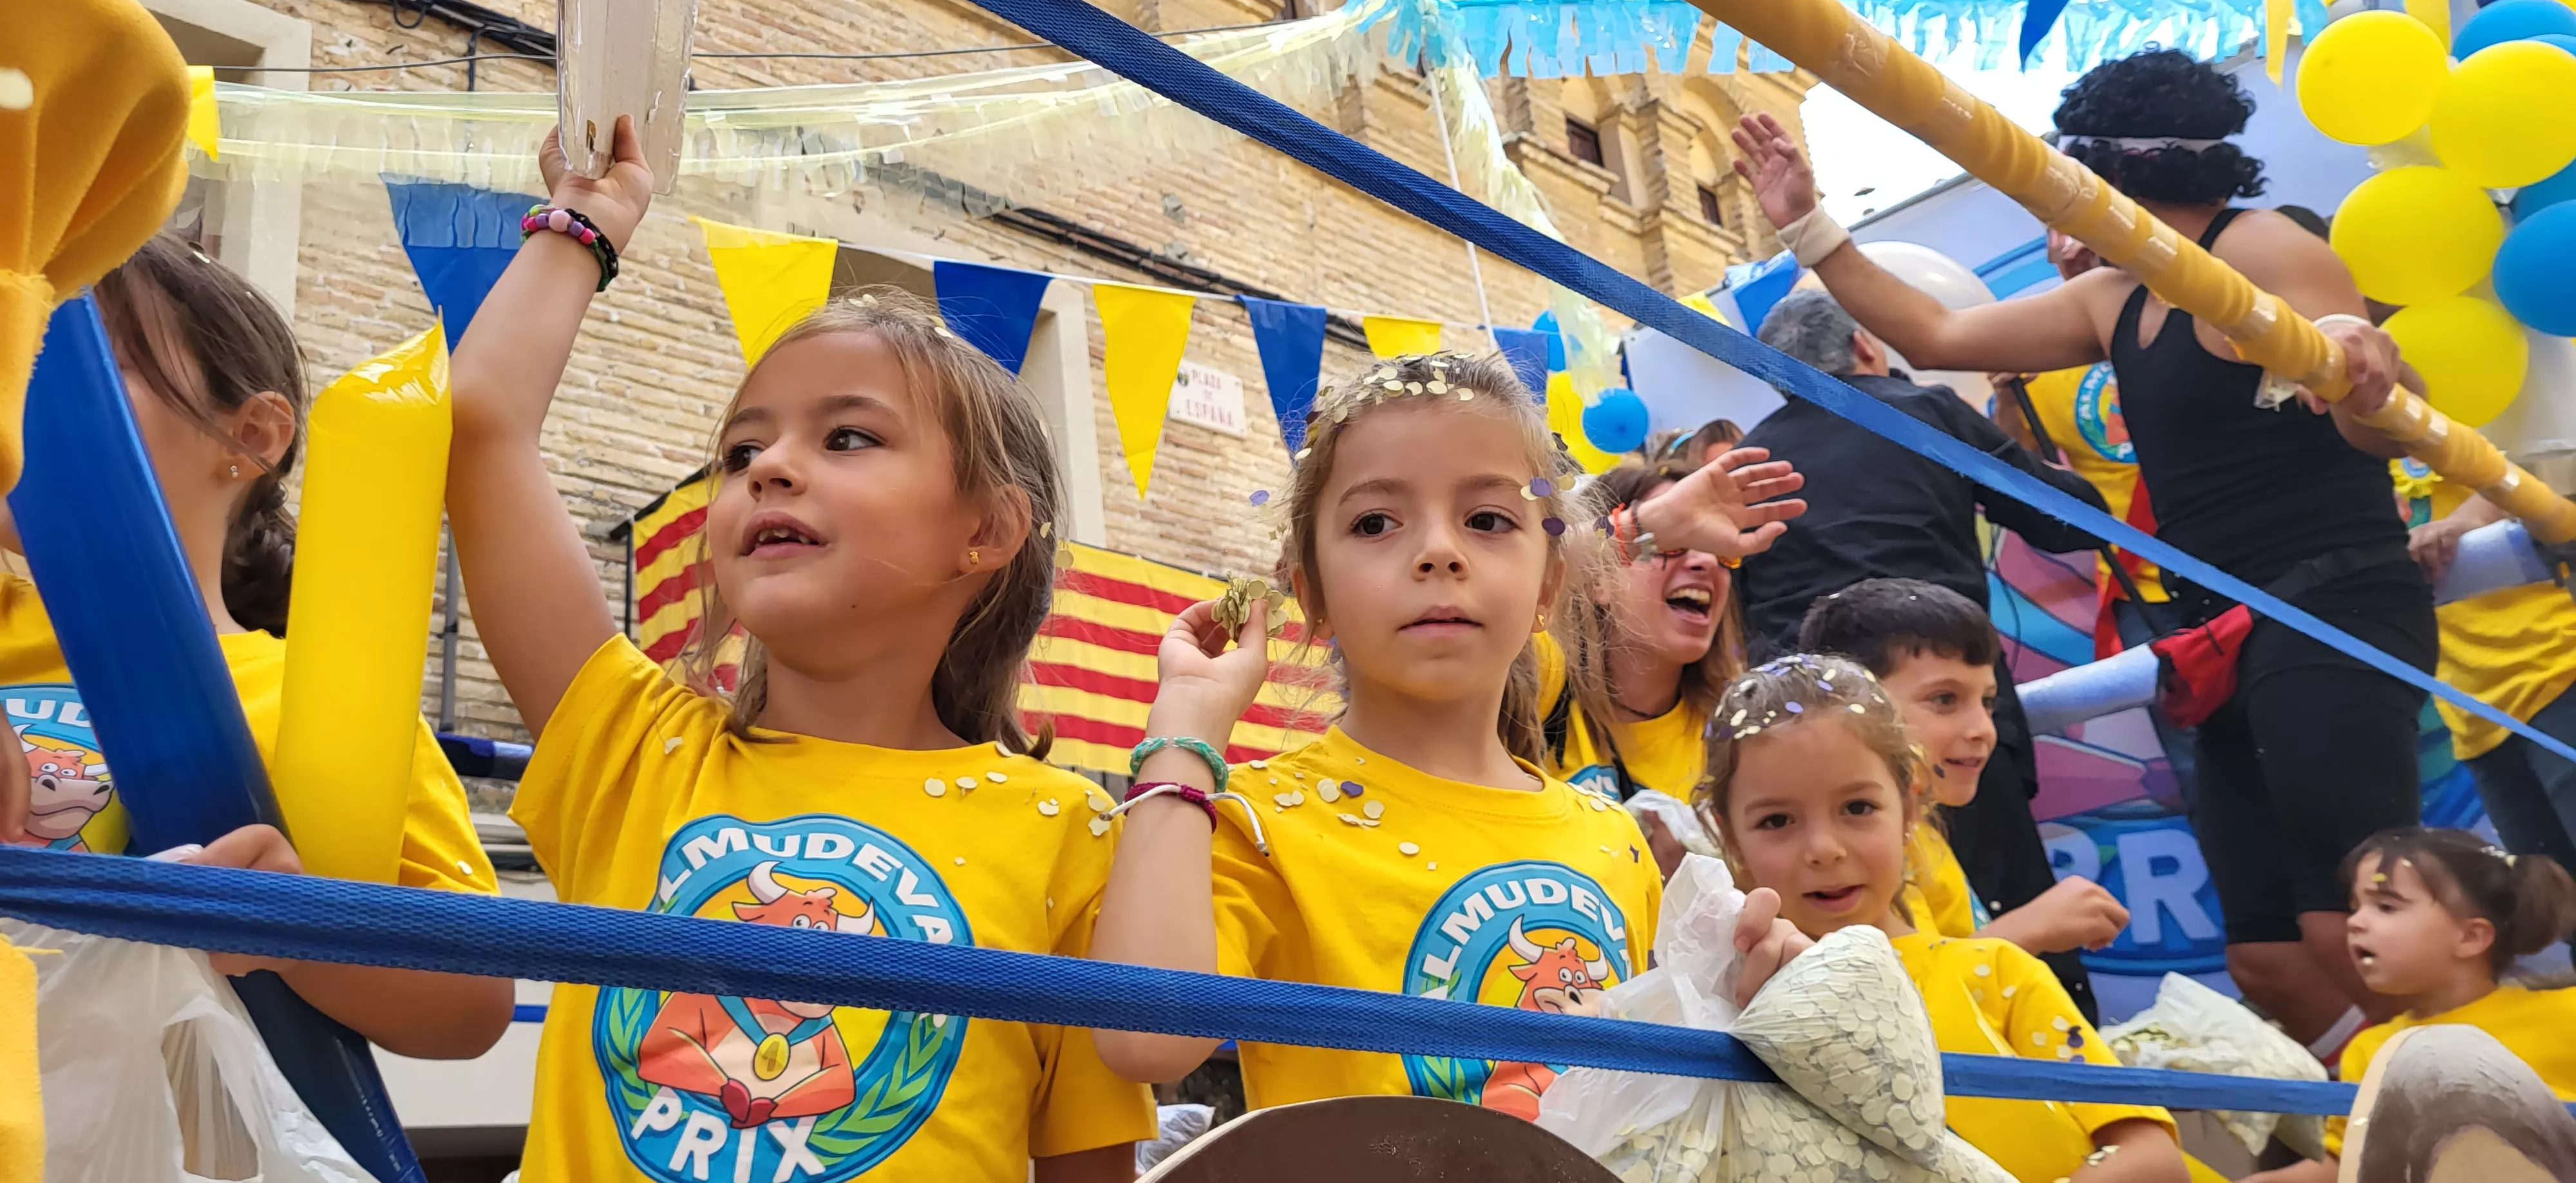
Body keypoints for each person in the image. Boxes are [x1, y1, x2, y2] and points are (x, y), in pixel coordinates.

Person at [448, 119, 1149, 1182]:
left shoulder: (1076, 833)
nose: (771, 465)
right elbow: (482, 424)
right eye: (741, 450)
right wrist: (582, 224)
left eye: (848, 437)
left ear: (988, 532)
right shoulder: (635, 753)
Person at [1731, 47, 2437, 1050]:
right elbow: (1934, 333)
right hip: (2226, 631)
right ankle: (2376, 1109)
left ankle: (2465, 1116)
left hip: (2332, 603)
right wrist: (1807, 222)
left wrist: (2365, 372)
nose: (2055, 209)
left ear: (2122, 174)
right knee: (2268, 957)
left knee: (2352, 924)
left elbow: (2367, 414)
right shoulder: (2120, 297)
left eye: (2068, 178)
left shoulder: (2261, 244)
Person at [1089, 350, 1808, 1121]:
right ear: (1313, 595)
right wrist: (1184, 730)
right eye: (1374, 522)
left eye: (1488, 520)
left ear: (1548, 585)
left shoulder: (1615, 841)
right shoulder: (1256, 824)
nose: (1440, 550)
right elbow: (1144, 1041)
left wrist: (1745, 994)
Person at [0, 233, 510, 1060]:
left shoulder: (317, 697)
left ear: (252, 437)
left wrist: (290, 927)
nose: (23, 398)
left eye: (80, 365)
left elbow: (473, 999)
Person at [1738, 288, 2112, 1019]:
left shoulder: (1751, 457)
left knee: (1862, 959)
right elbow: (2075, 520)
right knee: (2026, 945)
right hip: (1940, 719)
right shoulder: (1918, 412)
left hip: (1805, 740)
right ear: (1869, 350)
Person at [1699, 654, 2193, 1183]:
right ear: (1731, 839)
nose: (1824, 849)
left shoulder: (1994, 974)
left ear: (1910, 808)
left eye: (1858, 808)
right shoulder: (1734, 1013)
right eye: (1777, 820)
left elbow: (2154, 1160)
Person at [1799, 578, 2132, 957]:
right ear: (1846, 704)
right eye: (1945, 699)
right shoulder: (1849, 845)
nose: (1982, 730)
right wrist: (2025, 932)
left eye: (1988, 702)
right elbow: (1886, 994)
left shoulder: (1918, 827)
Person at [1985, 231, 2196, 803]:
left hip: (2234, 563)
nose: (2074, 246)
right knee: (2197, 768)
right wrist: (2008, 398)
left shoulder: (2183, 309)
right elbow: (2012, 470)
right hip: (2140, 592)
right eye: (2057, 234)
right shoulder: (2040, 349)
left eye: (2081, 227)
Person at [2243, 828, 2576, 1182]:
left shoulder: (2565, 1015)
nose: (2355, 923)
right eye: (2355, 908)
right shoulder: (2369, 1051)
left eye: (2386, 907)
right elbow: (2347, 1166)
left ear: (2471, 936)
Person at [1535, 461, 1754, 875]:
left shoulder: (1741, 730)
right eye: (1671, 542)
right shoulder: (1541, 685)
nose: (1705, 562)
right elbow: (1494, 586)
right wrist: (1632, 528)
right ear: (1595, 576)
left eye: (1718, 547)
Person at [2403, 474, 2576, 880]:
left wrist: (2471, 518)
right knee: (2559, 918)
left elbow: (2553, 455)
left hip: (2560, 668)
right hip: (2474, 717)